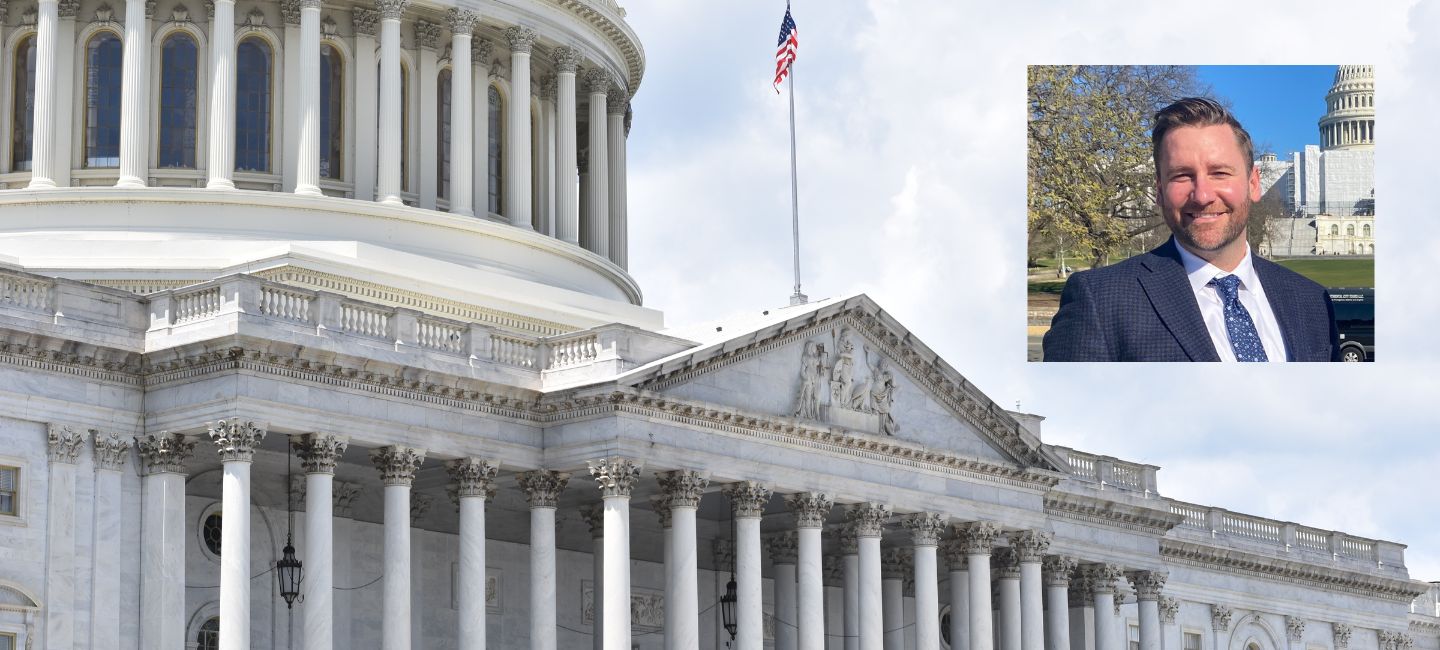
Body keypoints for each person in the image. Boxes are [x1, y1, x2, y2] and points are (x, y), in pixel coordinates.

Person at [1042, 97, 1339, 362]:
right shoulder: (1101, 302)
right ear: (1159, 191)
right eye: (1182, 176)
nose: (1203, 195)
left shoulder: (1312, 301)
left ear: (1253, 183)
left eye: (1219, 172)